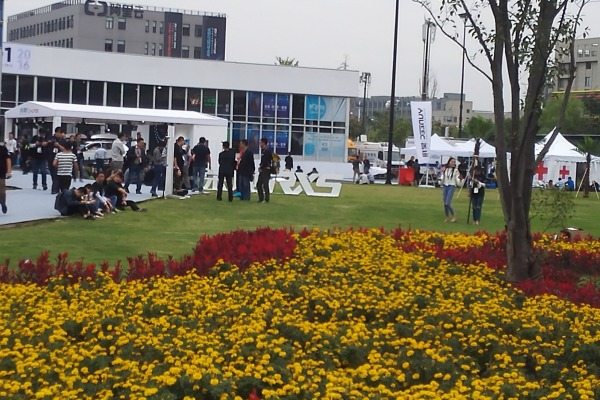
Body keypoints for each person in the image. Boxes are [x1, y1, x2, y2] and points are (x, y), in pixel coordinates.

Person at [441, 157, 463, 223]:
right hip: (445, 186)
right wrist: (441, 175)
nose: (453, 163)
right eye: (452, 161)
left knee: (447, 203)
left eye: (454, 162)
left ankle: (454, 216)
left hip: (452, 186)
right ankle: (447, 217)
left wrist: (460, 180)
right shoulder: (446, 169)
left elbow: (458, 180)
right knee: (445, 203)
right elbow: (442, 178)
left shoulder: (456, 170)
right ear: (449, 162)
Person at [47, 127, 67, 194]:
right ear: (57, 132)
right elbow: (46, 143)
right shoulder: (51, 138)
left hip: (60, 160)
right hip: (51, 159)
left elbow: (65, 150)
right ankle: (55, 189)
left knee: (57, 175)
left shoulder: (63, 141)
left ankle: (56, 189)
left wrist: (58, 145)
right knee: (54, 175)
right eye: (60, 133)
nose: (62, 134)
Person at [257, 137, 273, 203]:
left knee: (265, 184)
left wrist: (261, 167)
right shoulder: (264, 151)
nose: (260, 144)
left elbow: (266, 161)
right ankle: (261, 198)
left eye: (260, 143)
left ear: (263, 143)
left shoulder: (267, 151)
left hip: (266, 170)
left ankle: (266, 199)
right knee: (259, 184)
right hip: (263, 170)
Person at [0, 141, 12, 214]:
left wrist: (9, 171)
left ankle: (3, 203)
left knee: (1, 192)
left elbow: (8, 159)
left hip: (1, 173)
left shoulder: (2, 149)